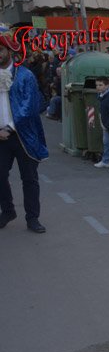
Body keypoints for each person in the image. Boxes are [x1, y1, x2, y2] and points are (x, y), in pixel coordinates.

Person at [0, 35, 47, 233]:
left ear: (10, 51)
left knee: (29, 179)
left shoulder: (25, 75)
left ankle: (32, 218)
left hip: (23, 136)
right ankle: (8, 211)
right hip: (0, 137)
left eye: (0, 50)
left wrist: (9, 128)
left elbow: (29, 106)